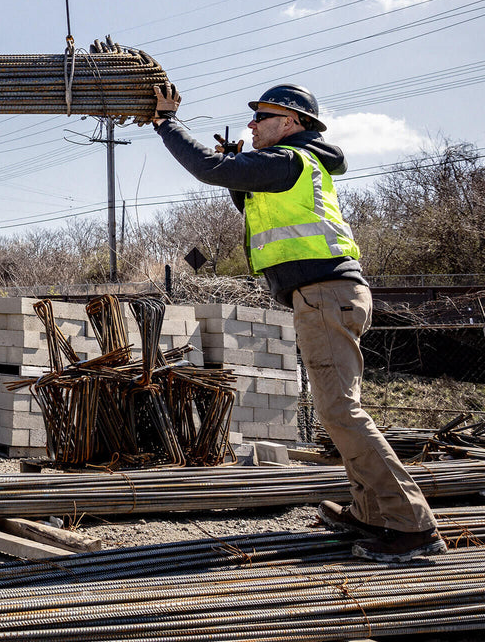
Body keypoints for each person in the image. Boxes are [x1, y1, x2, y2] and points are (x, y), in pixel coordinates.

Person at [149, 81, 446, 564]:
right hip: (327, 294)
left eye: (260, 118)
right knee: (336, 411)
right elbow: (244, 193)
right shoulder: (296, 165)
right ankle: (373, 512)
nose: (250, 125)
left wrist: (167, 123)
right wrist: (237, 173)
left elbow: (208, 168)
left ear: (290, 122)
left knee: (341, 411)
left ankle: (410, 524)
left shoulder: (290, 159)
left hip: (326, 294)